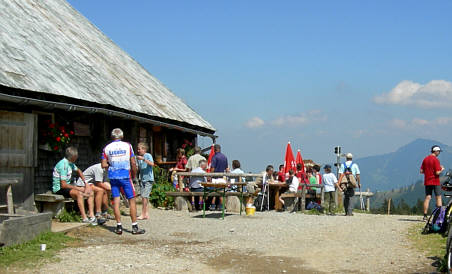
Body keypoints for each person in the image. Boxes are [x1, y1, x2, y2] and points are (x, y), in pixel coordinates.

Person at [101, 128, 145, 235]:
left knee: (116, 200)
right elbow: (133, 163)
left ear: (112, 136)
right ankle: (134, 226)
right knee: (131, 200)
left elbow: (103, 165)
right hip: (125, 176)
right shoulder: (128, 146)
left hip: (113, 177)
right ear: (122, 136)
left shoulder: (106, 148)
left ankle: (119, 226)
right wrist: (134, 175)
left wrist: (112, 165)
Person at [52, 146, 97, 225]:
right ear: (73, 157)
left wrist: (86, 183)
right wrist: (78, 188)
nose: (77, 158)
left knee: (90, 192)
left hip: (67, 187)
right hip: (59, 189)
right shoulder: (63, 165)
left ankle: (91, 216)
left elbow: (79, 171)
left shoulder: (70, 163)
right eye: (76, 156)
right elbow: (63, 185)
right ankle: (84, 218)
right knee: (79, 193)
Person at [420, 145, 445, 221]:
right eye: (439, 152)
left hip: (427, 181)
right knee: (438, 197)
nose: (439, 153)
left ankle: (425, 216)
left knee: (428, 197)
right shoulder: (436, 160)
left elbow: (421, 171)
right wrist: (442, 169)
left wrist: (428, 172)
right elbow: (437, 173)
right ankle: (439, 216)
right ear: (436, 151)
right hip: (435, 181)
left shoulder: (425, 159)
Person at [136, 142, 155, 220]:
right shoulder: (139, 158)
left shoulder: (147, 155)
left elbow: (152, 164)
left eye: (139, 149)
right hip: (142, 179)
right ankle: (146, 213)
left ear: (144, 149)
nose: (138, 150)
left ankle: (143, 214)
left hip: (148, 179)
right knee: (145, 197)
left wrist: (143, 159)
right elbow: (139, 169)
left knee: (144, 196)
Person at [209, 144, 229, 210]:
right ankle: (221, 206)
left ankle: (213, 205)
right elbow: (227, 168)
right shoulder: (224, 157)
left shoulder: (214, 157)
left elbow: (212, 168)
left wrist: (210, 176)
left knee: (214, 192)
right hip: (222, 176)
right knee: (221, 192)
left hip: (215, 177)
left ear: (215, 149)